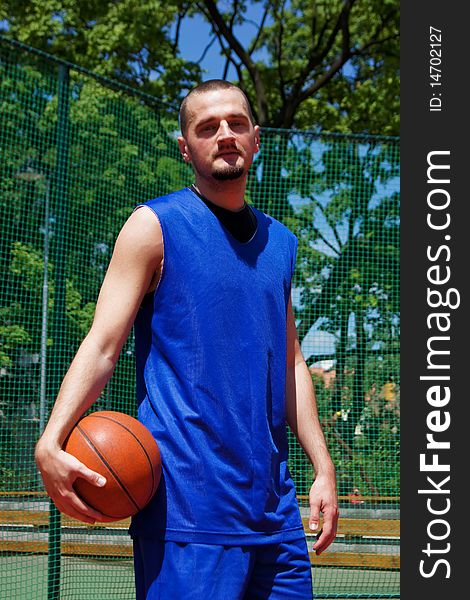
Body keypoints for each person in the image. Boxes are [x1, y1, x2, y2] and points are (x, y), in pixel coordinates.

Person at [35, 80, 338, 599]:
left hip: (276, 510)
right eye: (207, 127)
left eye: (236, 123)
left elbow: (291, 362)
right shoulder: (154, 226)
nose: (224, 134)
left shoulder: (281, 243)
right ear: (185, 147)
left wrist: (324, 466)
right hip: (187, 506)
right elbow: (103, 343)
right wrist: (51, 438)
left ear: (256, 139)